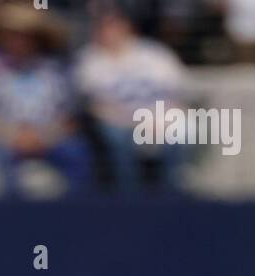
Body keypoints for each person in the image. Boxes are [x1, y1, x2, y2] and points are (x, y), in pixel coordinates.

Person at [0, 2, 91, 195]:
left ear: (36, 38)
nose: (18, 41)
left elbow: (70, 119)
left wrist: (42, 137)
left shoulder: (55, 70)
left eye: (24, 35)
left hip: (50, 138)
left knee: (77, 154)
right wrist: (13, 137)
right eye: (12, 35)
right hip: (3, 138)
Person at [76, 3, 190, 190]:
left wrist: (159, 120)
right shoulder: (90, 59)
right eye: (104, 26)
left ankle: (170, 194)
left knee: (183, 132)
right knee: (118, 138)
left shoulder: (155, 54)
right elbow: (93, 105)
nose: (109, 31)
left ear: (127, 26)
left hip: (158, 119)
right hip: (116, 121)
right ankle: (130, 198)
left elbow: (177, 95)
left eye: (114, 25)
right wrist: (132, 121)